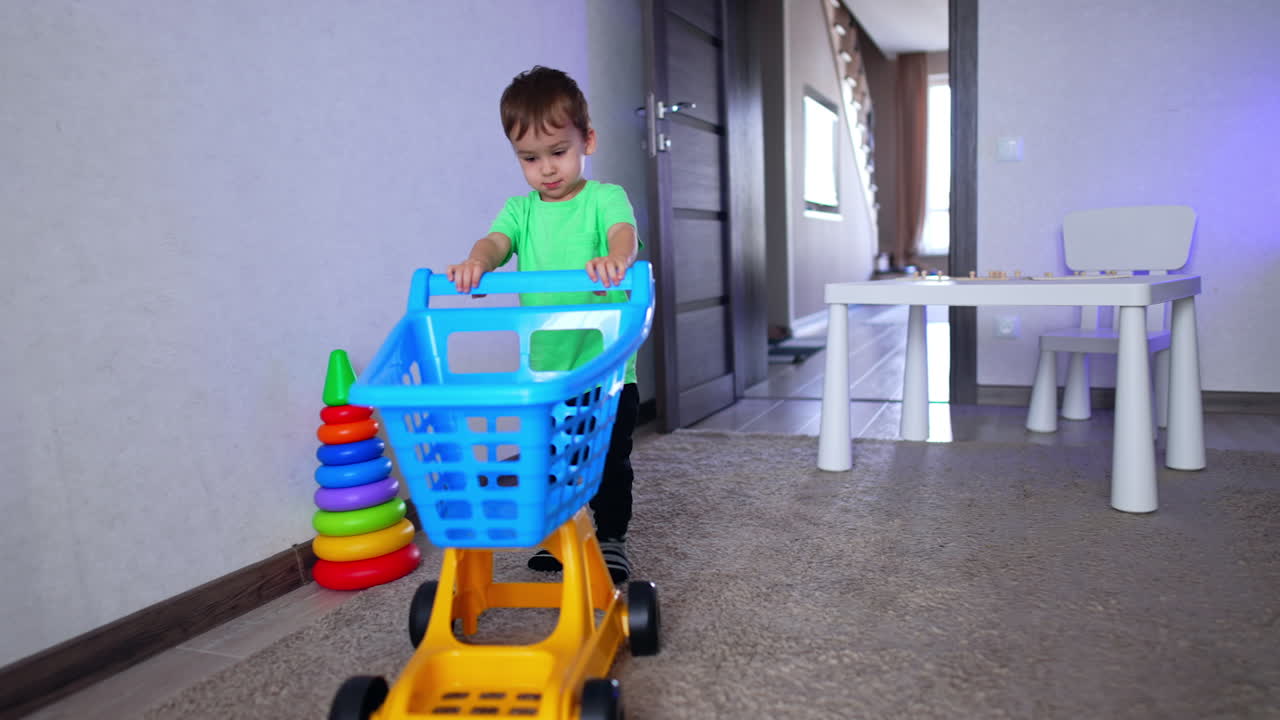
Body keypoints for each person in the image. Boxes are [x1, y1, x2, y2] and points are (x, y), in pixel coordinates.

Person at [446, 66, 641, 584]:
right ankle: (564, 539)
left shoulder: (604, 199)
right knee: (555, 460)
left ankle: (612, 537)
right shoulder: (520, 211)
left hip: (607, 368)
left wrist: (616, 260)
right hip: (547, 372)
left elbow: (625, 234)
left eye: (558, 152)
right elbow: (495, 243)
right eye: (530, 159)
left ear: (587, 141)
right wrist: (476, 262)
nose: (546, 169)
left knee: (607, 461)